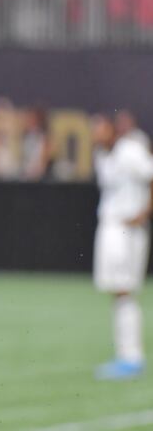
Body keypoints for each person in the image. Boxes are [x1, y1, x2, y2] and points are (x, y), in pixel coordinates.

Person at [92, 112, 153, 380]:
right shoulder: (102, 156)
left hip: (128, 227)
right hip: (111, 226)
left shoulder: (130, 150)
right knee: (117, 290)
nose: (96, 133)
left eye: (100, 127)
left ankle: (132, 356)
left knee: (125, 289)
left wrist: (146, 210)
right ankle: (125, 355)